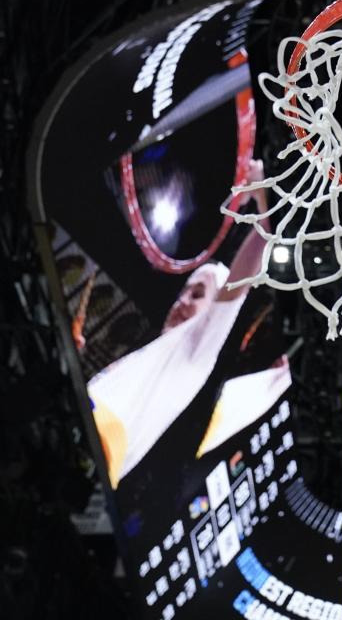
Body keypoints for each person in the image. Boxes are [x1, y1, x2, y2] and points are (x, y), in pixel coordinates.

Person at [88, 160, 273, 488]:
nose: (184, 302)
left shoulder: (196, 351)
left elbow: (252, 259)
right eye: (184, 293)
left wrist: (260, 194)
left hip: (97, 444)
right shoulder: (152, 354)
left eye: (198, 295)